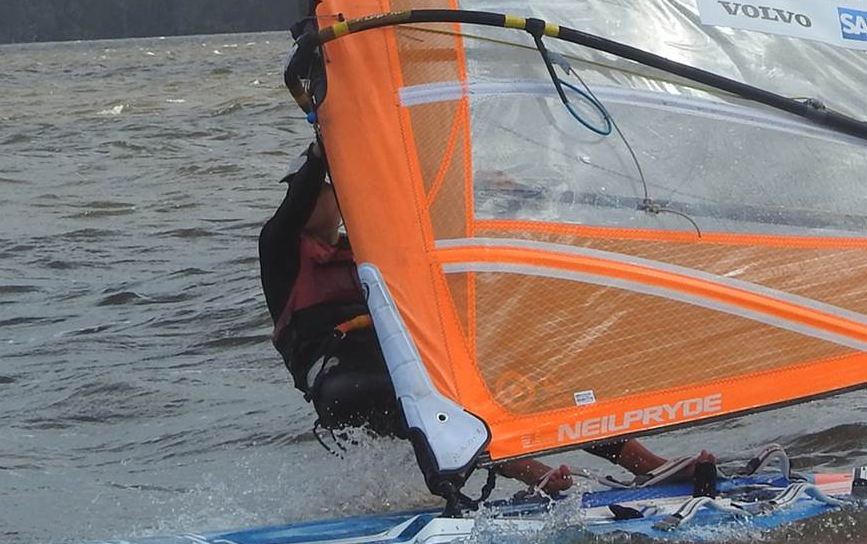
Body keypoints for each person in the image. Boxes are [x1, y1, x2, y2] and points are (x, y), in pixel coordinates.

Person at [259, 141, 684, 493]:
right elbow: (295, 204)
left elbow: (424, 210)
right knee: (441, 400)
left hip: (403, 368)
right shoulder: (278, 248)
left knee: (534, 380)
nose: (305, 200)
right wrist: (328, 145)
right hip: (341, 383)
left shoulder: (370, 249)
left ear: (339, 199)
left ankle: (648, 466)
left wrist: (481, 187)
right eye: (301, 193)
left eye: (319, 191)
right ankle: (537, 478)